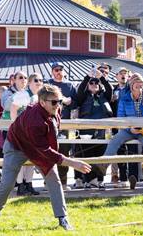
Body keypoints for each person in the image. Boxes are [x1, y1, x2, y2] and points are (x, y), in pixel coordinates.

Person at [0, 84, 92, 231]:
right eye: (54, 102)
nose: (58, 105)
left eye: (59, 101)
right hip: (17, 146)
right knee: (7, 183)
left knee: (54, 179)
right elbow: (44, 150)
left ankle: (62, 218)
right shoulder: (34, 120)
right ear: (42, 102)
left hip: (38, 146)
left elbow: (46, 143)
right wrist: (71, 162)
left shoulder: (54, 109)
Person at [102, 74, 143, 195]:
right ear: (131, 85)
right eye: (137, 83)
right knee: (115, 140)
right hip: (129, 130)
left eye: (141, 84)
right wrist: (130, 128)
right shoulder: (124, 98)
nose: (140, 86)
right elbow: (120, 117)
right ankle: (103, 165)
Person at [74, 67, 113, 190]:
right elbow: (80, 90)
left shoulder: (104, 96)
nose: (94, 84)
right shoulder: (83, 96)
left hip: (102, 130)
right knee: (88, 155)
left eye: (97, 83)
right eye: (92, 82)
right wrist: (87, 77)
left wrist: (101, 77)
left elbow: (110, 88)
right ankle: (90, 180)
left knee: (101, 155)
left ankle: (100, 180)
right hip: (87, 130)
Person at [9, 73, 43, 196]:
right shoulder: (23, 95)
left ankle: (29, 184)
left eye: (40, 80)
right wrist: (15, 127)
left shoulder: (38, 96)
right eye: (36, 80)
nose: (39, 82)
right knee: (20, 159)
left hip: (33, 133)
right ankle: (20, 186)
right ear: (29, 83)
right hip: (22, 132)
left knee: (32, 159)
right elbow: (13, 109)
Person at [47, 62, 78, 190]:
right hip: (48, 122)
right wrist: (64, 99)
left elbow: (75, 104)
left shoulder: (70, 85)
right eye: (56, 70)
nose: (58, 72)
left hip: (65, 123)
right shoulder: (47, 84)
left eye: (60, 69)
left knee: (64, 152)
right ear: (52, 72)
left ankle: (63, 183)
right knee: (49, 152)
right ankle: (48, 182)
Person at [110, 67, 131, 186]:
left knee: (129, 150)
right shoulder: (113, 90)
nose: (123, 76)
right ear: (116, 76)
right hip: (116, 124)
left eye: (125, 73)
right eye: (121, 74)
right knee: (118, 149)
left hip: (128, 122)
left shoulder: (130, 89)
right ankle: (116, 176)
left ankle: (126, 177)